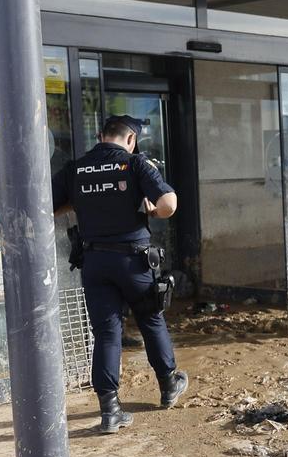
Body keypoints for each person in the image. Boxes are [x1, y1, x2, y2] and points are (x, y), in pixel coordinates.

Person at [52, 115, 188, 433]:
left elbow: (45, 203)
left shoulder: (76, 168)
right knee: (150, 321)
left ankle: (110, 411)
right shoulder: (134, 164)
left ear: (100, 136)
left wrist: (79, 204)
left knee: (107, 333)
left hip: (95, 263)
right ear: (131, 139)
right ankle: (169, 386)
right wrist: (153, 211)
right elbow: (169, 203)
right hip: (133, 263)